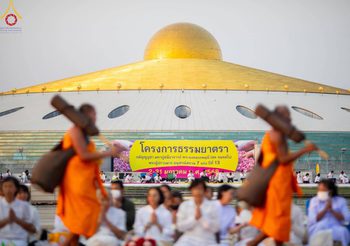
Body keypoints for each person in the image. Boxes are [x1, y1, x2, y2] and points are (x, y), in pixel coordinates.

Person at [56, 104, 126, 245]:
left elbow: (91, 163)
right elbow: (83, 156)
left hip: (86, 183)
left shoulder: (86, 135)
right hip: (76, 183)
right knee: (83, 221)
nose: (95, 118)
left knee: (80, 225)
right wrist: (109, 153)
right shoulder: (75, 131)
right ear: (84, 115)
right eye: (93, 115)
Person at [249, 106, 317, 246]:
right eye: (287, 116)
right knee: (278, 222)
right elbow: (283, 159)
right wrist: (305, 150)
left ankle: (254, 243)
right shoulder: (276, 135)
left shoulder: (276, 134)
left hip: (280, 183)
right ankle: (252, 243)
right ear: (278, 118)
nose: (290, 119)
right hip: (276, 184)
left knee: (281, 224)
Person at [175, 179, 220, 246]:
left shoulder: (213, 206)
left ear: (204, 191)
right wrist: (194, 219)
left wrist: (202, 218)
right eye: (195, 188)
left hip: (208, 240)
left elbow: (216, 228)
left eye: (200, 188)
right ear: (191, 190)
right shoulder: (184, 205)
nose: (198, 191)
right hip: (188, 239)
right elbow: (180, 227)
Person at [308, 179, 350, 246]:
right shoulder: (314, 201)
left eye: (323, 191)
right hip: (318, 227)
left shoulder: (340, 201)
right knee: (318, 231)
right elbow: (312, 219)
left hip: (336, 228)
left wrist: (332, 210)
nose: (320, 192)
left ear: (330, 191)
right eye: (319, 190)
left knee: (343, 232)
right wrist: (325, 209)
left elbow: (347, 218)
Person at [0, 177, 36, 246]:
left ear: (16, 188)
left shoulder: (24, 206)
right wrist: (7, 220)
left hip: (19, 240)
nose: (8, 189)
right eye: (5, 186)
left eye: (10, 186)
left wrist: (16, 220)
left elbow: (32, 228)